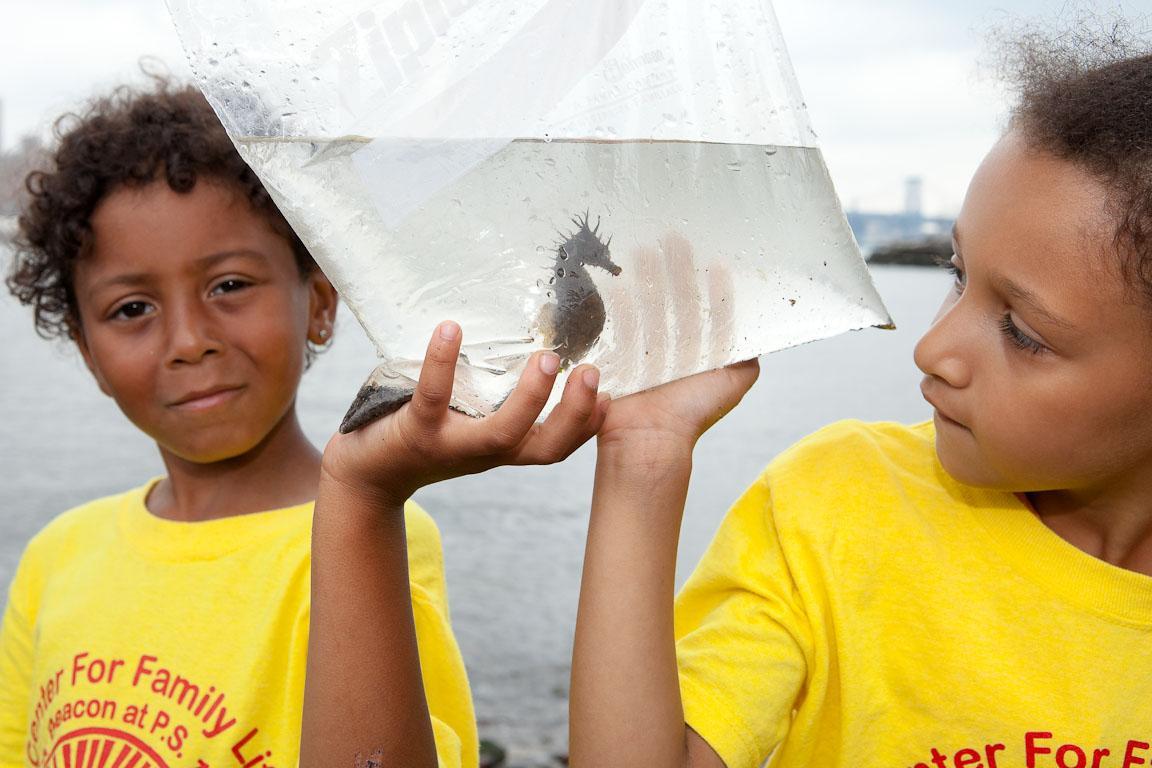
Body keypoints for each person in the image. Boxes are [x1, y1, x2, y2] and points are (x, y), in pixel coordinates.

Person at [569, 26, 1152, 768]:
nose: (931, 348)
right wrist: (642, 455)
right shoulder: (838, 504)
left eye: (1023, 332)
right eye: (956, 271)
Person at [0, 79, 605, 768]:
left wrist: (365, 498)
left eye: (229, 285)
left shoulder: (374, 533)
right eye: (132, 309)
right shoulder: (56, 558)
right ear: (89, 354)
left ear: (318, 303)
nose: (188, 339)